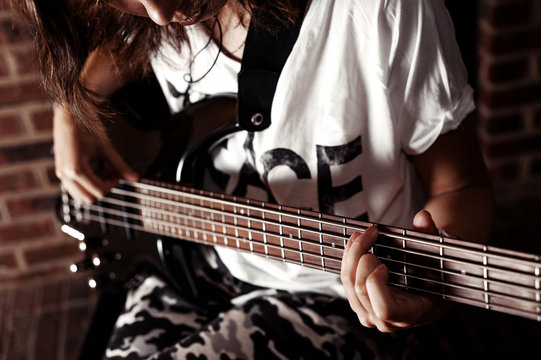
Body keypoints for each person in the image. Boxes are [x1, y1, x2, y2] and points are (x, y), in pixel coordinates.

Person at [15, 0, 494, 358]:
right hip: (194, 263)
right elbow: (115, 51)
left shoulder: (378, 10)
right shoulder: (149, 23)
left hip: (332, 295)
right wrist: (71, 111)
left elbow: (462, 188)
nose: (161, 13)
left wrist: (432, 291)